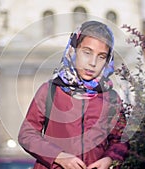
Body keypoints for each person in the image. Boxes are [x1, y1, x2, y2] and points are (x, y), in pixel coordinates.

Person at [18, 20, 129, 169]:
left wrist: (109, 159)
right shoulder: (50, 90)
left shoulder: (111, 98)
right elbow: (27, 134)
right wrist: (58, 156)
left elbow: (120, 140)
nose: (93, 63)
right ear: (74, 49)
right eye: (87, 52)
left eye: (101, 56)